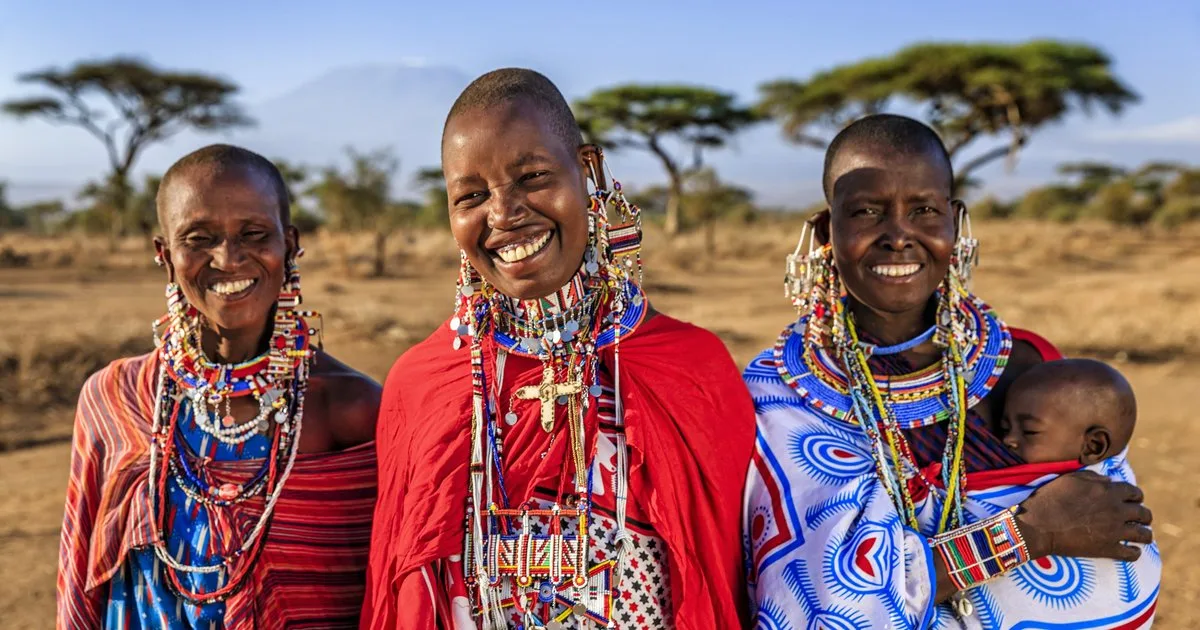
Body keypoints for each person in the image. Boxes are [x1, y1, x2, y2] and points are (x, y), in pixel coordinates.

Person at [361, 68, 755, 629]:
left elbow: (720, 585)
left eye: (533, 177)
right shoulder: (422, 384)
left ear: (588, 169)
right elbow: (404, 595)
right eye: (471, 196)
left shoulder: (691, 369)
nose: (502, 214)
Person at [743, 114, 1160, 628]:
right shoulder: (781, 396)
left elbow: (1112, 524)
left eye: (924, 210)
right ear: (828, 230)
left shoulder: (1029, 367)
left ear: (955, 220)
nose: (898, 236)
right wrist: (1029, 536)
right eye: (867, 211)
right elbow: (825, 604)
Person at [57, 144, 381, 629]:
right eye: (199, 238)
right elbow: (80, 582)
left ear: (290, 245)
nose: (228, 259)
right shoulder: (117, 397)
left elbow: (386, 594)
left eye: (253, 234)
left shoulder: (350, 408)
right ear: (165, 256)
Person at [1000, 358, 1137, 466]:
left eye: (1029, 431)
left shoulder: (1091, 496)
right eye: (1005, 429)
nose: (1007, 440)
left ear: (1093, 446)